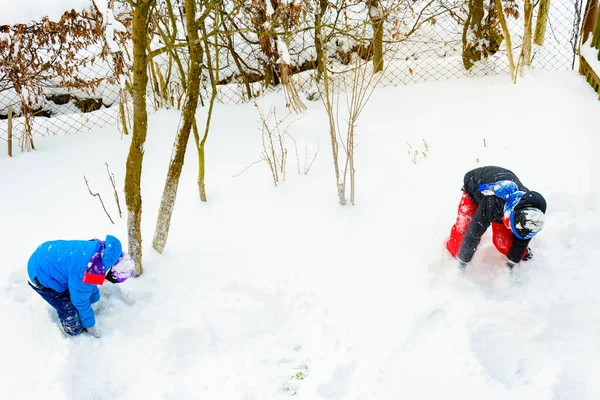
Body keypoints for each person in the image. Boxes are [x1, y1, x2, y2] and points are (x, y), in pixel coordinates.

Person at [27, 235, 135, 337]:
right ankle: (73, 332)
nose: (107, 282)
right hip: (39, 274)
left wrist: (95, 300)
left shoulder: (101, 255)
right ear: (109, 273)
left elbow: (90, 282)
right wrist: (90, 325)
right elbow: (80, 301)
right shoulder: (86, 272)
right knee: (69, 311)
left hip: (46, 254)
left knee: (77, 289)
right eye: (110, 280)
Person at [446, 166, 547, 270]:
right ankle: (448, 254)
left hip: (502, 206)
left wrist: (513, 260)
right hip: (474, 190)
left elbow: (523, 236)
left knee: (503, 243)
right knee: (460, 238)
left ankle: (521, 252)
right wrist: (462, 262)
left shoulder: (531, 214)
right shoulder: (494, 203)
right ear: (509, 214)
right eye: (510, 225)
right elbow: (474, 231)